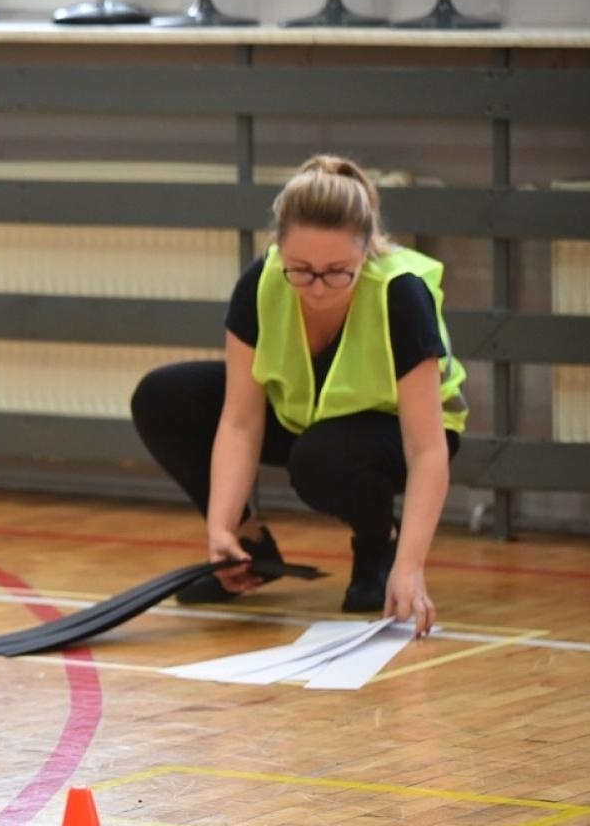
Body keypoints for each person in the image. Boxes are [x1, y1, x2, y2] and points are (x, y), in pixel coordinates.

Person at [130, 155, 467, 637]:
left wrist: (410, 564)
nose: (317, 288)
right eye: (301, 270)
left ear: (366, 250)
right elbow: (241, 421)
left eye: (338, 272)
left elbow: (426, 448)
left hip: (391, 435)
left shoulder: (401, 295)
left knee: (322, 458)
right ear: (278, 249)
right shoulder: (260, 283)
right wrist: (222, 527)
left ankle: (379, 545)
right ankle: (249, 552)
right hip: (307, 422)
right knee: (164, 397)